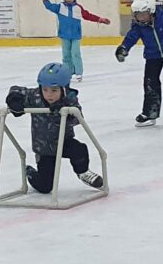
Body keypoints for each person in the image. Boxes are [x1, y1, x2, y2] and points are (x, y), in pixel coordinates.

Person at [5, 63, 103, 192]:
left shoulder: (69, 99)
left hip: (63, 141)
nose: (49, 95)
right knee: (45, 187)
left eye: (54, 91)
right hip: (43, 148)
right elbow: (16, 89)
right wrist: (14, 100)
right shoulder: (35, 96)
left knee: (79, 149)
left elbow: (78, 116)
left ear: (64, 88)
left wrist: (67, 113)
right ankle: (30, 172)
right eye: (45, 89)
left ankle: (83, 172)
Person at [39, 0, 110, 83]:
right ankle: (67, 72)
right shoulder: (60, 7)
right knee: (66, 55)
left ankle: (79, 72)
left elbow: (87, 15)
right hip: (64, 35)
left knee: (75, 53)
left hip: (76, 35)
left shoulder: (78, 7)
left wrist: (99, 19)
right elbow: (49, 6)